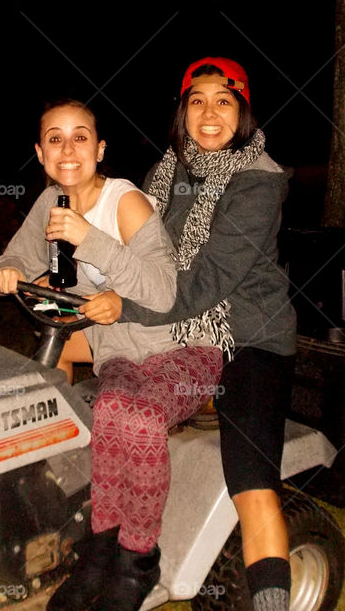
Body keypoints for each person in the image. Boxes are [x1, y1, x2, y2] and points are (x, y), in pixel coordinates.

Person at [0, 99, 221, 611]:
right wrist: (6, 272)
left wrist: (90, 240)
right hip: (119, 356)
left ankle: (138, 562)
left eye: (79, 137)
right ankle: (99, 552)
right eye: (54, 138)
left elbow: (163, 291)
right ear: (40, 152)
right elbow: (13, 258)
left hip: (184, 348)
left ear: (99, 148)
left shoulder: (125, 203)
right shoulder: (50, 203)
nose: (67, 149)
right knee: (110, 412)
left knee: (137, 421)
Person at [115, 59, 297, 611]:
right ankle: (113, 554)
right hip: (183, 332)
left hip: (247, 338)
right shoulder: (166, 173)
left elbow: (207, 282)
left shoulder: (258, 181)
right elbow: (138, 253)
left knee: (251, 482)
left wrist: (122, 308)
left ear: (242, 110)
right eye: (197, 100)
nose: (210, 112)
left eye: (224, 99)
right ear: (182, 111)